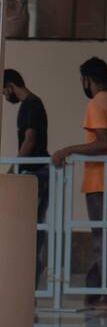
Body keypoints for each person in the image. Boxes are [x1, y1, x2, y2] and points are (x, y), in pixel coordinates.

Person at [51, 57, 107, 314]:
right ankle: (95, 291)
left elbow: (103, 142)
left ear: (87, 79)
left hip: (102, 182)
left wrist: (67, 150)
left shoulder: (97, 103)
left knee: (105, 240)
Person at [3, 69, 49, 284]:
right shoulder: (34, 103)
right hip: (38, 171)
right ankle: (31, 277)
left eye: (4, 91)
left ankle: (30, 277)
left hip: (35, 172)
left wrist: (15, 167)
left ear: (11, 85)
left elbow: (29, 139)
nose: (5, 96)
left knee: (31, 227)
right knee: (34, 225)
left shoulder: (30, 104)